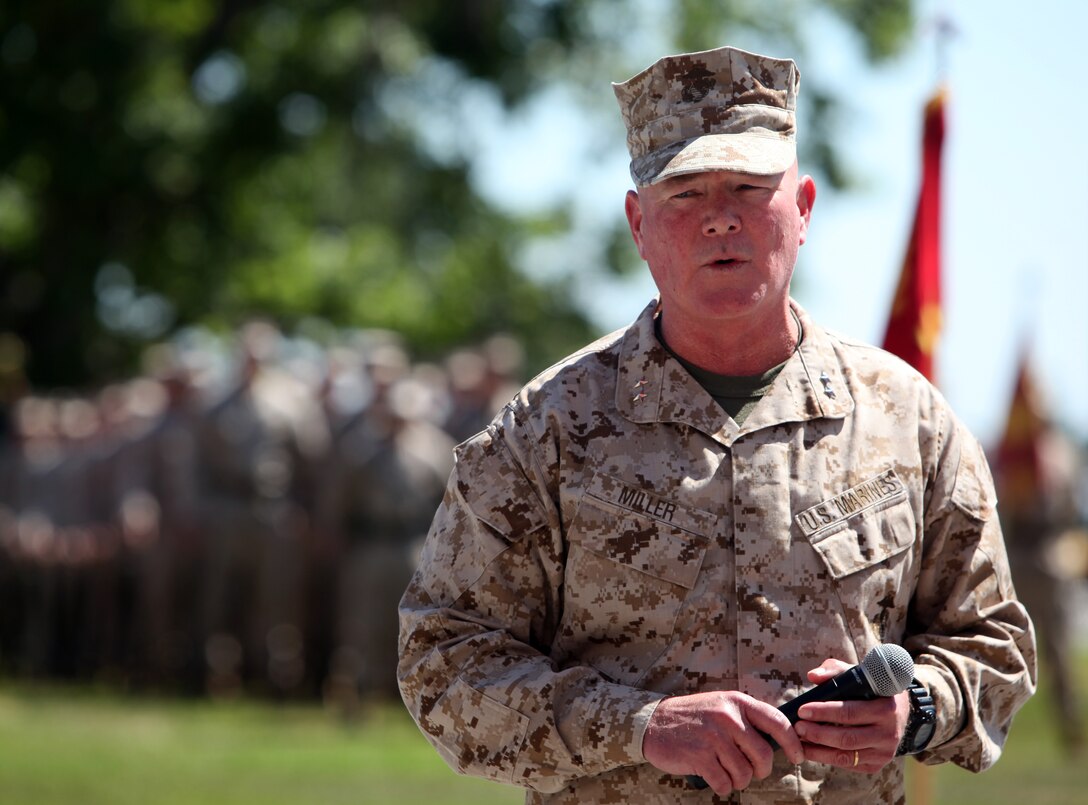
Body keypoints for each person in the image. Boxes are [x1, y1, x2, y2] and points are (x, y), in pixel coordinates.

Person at [397, 45, 1037, 804]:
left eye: (746, 186)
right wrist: (639, 725)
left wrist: (918, 708)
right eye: (685, 194)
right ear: (639, 224)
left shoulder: (912, 422)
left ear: (801, 209)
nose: (720, 218)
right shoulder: (545, 432)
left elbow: (995, 646)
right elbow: (444, 664)